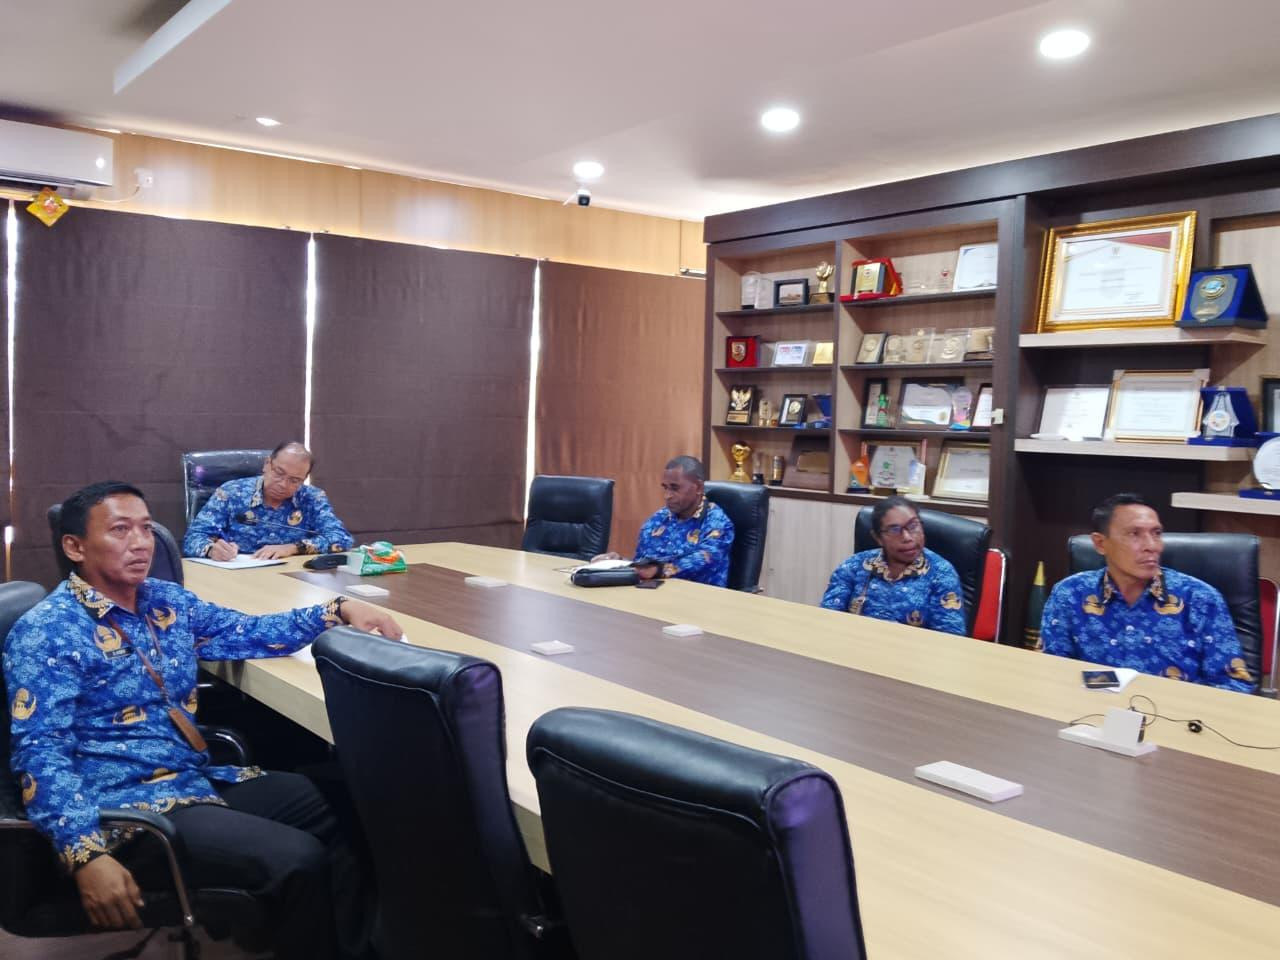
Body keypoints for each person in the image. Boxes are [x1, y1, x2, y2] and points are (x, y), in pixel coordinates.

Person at [4, 481, 402, 957]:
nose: (141, 543)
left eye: (146, 528)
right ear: (75, 547)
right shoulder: (47, 631)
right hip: (125, 814)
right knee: (298, 858)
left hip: (194, 780)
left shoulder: (163, 602)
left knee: (348, 804)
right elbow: (40, 754)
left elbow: (247, 631)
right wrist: (85, 853)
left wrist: (336, 609)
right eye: (120, 530)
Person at [1041, 493, 1254, 692]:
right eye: (1134, 534)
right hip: (1091, 713)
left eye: (1156, 533)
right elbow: (1049, 672)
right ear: (1101, 543)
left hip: (1176, 715)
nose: (1152, 546)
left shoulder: (1200, 599)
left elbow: (1234, 684)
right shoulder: (1070, 594)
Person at [820, 495, 966, 635]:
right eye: (894, 530)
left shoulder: (941, 573)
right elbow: (827, 618)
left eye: (913, 526)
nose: (907, 537)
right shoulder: (854, 566)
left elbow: (950, 638)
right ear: (878, 538)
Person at [182, 442, 353, 560]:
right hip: (238, 577)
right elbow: (193, 539)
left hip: (291, 580)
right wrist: (212, 550)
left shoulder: (312, 498)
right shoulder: (232, 493)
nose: (283, 484)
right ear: (267, 464)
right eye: (279, 473)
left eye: (294, 480)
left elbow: (341, 539)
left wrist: (293, 548)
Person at [593, 456, 734, 587]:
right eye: (665, 487)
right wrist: (619, 563)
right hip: (655, 594)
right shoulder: (659, 518)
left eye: (674, 488)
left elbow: (705, 559)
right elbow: (644, 564)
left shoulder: (717, 522)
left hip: (699, 597)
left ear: (698, 487)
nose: (667, 496)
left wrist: (659, 570)